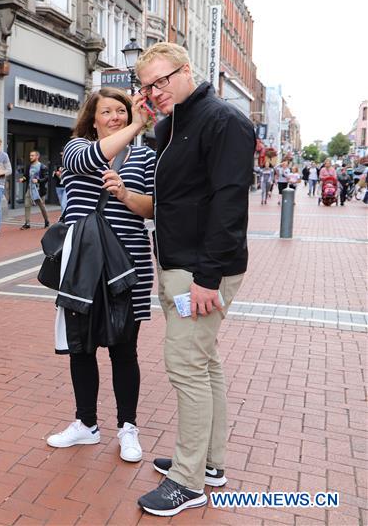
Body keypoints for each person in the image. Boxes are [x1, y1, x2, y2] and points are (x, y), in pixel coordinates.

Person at [134, 43, 254, 517]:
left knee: (185, 365)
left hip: (201, 269)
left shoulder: (223, 121)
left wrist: (208, 277)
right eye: (146, 86)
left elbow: (229, 203)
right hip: (178, 262)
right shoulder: (171, 125)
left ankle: (187, 481)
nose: (154, 91)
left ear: (187, 71)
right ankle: (209, 463)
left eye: (161, 81)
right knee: (205, 363)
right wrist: (146, 122)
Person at [45, 87, 154, 465]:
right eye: (106, 112)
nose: (115, 117)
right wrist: (138, 123)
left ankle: (128, 427)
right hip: (83, 266)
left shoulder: (145, 157)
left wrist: (125, 194)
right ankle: (86, 423)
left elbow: (153, 208)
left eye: (121, 111)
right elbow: (95, 156)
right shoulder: (76, 148)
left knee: (124, 350)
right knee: (82, 348)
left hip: (129, 266)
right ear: (92, 119)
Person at [18, 150, 49, 229]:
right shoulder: (29, 166)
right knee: (27, 205)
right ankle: (27, 223)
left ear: (37, 156)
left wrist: (38, 180)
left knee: (42, 207)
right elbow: (26, 176)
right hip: (30, 189)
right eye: (30, 155)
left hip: (39, 190)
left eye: (32, 155)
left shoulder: (42, 167)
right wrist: (23, 179)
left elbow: (46, 178)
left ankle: (46, 221)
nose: (30, 157)